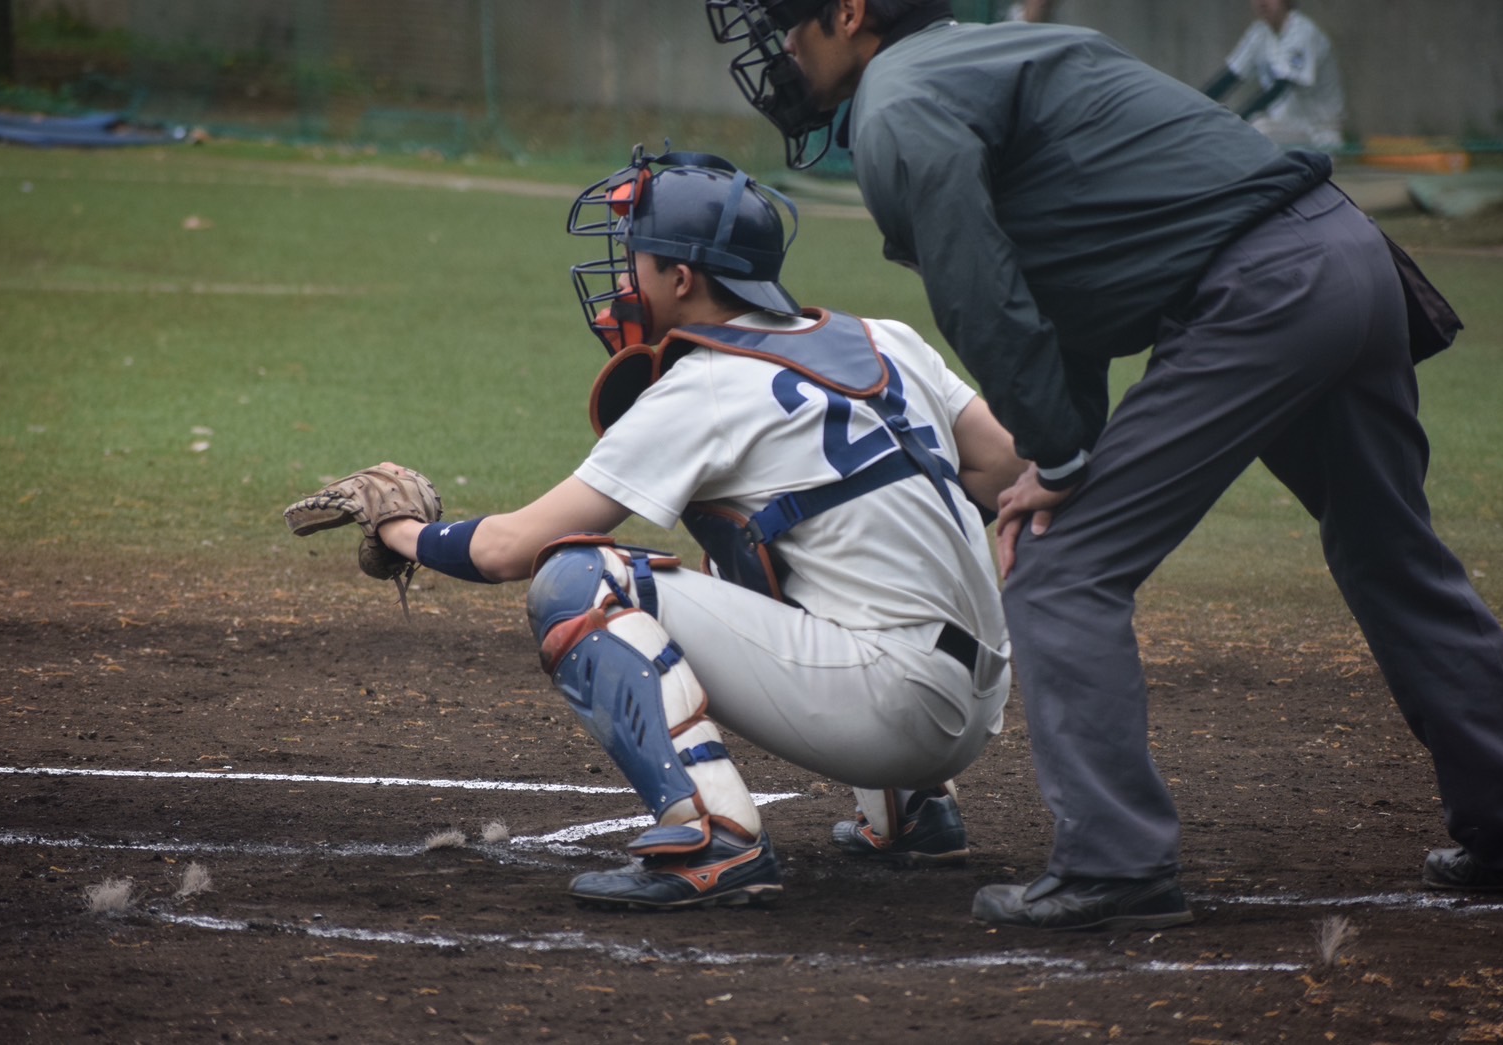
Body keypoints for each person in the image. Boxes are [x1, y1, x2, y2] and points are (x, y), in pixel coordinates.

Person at [705, 0, 1503, 931]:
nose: (782, 51)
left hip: (1262, 291)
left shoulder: (898, 102)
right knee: (1392, 556)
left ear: (851, 13)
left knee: (1061, 569)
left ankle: (1115, 863)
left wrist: (1060, 460)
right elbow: (1067, 290)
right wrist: (1061, 449)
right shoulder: (998, 52)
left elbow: (982, 290)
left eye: (791, 26)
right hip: (1346, 257)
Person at [287, 147, 1022, 911]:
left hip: (890, 710)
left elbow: (510, 550)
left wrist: (400, 529)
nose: (620, 280)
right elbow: (1004, 466)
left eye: (635, 257)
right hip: (979, 696)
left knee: (578, 582)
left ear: (682, 278)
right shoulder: (885, 339)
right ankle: (914, 810)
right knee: (750, 551)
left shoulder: (705, 385)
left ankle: (714, 840)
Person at [1203, 0, 1345, 150]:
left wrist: (1234, 122)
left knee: (1254, 131)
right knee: (1252, 129)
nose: (1261, 2)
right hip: (1286, 131)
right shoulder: (1260, 33)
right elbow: (1228, 78)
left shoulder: (1303, 32)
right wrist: (1193, 107)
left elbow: (1281, 87)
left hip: (1319, 135)